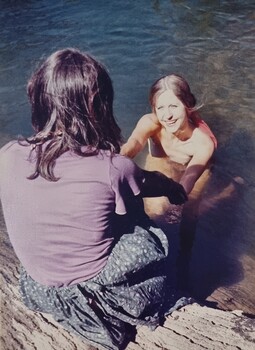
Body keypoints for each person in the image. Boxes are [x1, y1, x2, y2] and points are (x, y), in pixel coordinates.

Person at [0, 49, 189, 350]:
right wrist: (172, 188)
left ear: (37, 99)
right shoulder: (112, 166)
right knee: (149, 236)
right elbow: (149, 183)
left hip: (38, 286)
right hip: (97, 292)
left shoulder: (7, 155)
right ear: (98, 106)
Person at [121, 74, 217, 288]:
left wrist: (176, 194)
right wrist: (117, 158)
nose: (167, 115)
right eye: (160, 108)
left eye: (173, 106)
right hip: (162, 162)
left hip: (195, 169)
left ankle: (184, 259)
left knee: (187, 212)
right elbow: (134, 143)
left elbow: (190, 177)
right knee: (154, 214)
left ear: (187, 105)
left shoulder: (202, 143)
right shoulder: (151, 123)